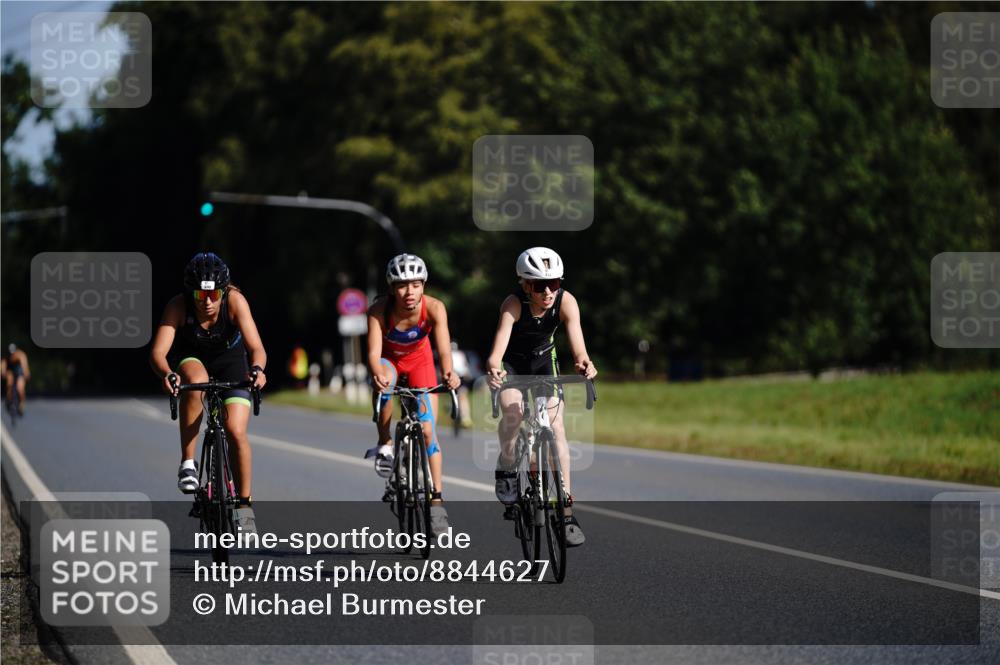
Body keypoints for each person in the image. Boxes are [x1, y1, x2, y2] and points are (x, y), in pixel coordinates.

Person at [485, 247, 597, 547]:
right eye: (538, 285)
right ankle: (507, 465)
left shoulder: (566, 302)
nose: (548, 291)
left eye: (554, 283)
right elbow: (497, 352)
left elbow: (579, 348)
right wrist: (495, 368)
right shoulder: (513, 304)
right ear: (524, 284)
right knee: (513, 412)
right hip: (513, 365)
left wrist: (584, 363)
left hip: (544, 364)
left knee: (557, 427)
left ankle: (567, 513)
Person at [149, 252, 267, 533]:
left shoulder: (235, 301)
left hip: (231, 362)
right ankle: (188, 463)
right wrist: (167, 374)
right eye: (200, 297)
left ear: (223, 290)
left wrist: (258, 369)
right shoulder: (178, 306)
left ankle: (243, 506)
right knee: (196, 379)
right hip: (193, 358)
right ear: (191, 293)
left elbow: (256, 348)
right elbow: (158, 352)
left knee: (236, 430)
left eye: (214, 294)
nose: (208, 302)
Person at [364, 253, 461, 537]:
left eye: (416, 284)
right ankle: (385, 442)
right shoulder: (378, 311)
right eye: (403, 285)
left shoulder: (434, 308)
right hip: (389, 360)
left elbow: (444, 350)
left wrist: (449, 373)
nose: (410, 292)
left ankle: (437, 502)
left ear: (424, 285)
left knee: (429, 431)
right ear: (392, 288)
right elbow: (372, 353)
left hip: (420, 362)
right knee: (384, 391)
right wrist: (377, 374)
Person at [4, 343, 30, 415]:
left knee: (20, 388)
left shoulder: (21, 355)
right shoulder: (7, 356)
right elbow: (3, 365)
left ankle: (21, 405)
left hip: (19, 372)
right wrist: (3, 372)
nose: (12, 355)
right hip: (10, 371)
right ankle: (9, 399)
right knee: (9, 383)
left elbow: (24, 365)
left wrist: (26, 373)